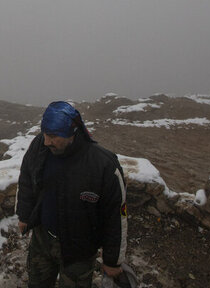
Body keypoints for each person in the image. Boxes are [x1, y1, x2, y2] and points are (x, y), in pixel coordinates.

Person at [16, 101, 128, 288]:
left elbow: (116, 215)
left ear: (72, 133)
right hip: (42, 240)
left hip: (79, 250)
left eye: (53, 136)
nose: (47, 141)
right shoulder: (40, 147)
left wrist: (112, 260)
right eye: (45, 134)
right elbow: (27, 178)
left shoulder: (103, 165)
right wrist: (24, 215)